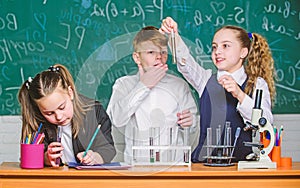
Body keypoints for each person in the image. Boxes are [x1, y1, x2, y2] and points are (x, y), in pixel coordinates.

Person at [160, 17, 276, 162]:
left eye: (225, 46)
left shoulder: (257, 84)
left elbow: (266, 122)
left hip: (241, 166)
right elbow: (185, 62)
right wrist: (174, 36)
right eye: (214, 47)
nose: (217, 52)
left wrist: (239, 94)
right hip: (204, 165)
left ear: (243, 52)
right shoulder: (205, 79)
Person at [106, 26, 198, 164]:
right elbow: (117, 119)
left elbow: (194, 126)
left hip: (175, 166)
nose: (159, 57)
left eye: (163, 52)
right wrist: (143, 86)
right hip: (138, 167)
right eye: (151, 52)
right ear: (137, 58)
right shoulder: (124, 85)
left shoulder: (179, 85)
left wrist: (190, 122)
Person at [18, 64, 116, 167]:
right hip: (52, 179)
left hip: (87, 180)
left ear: (70, 93)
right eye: (49, 113)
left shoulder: (94, 111)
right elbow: (28, 158)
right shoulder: (37, 119)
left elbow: (108, 149)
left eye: (62, 107)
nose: (59, 116)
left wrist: (95, 157)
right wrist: (46, 158)